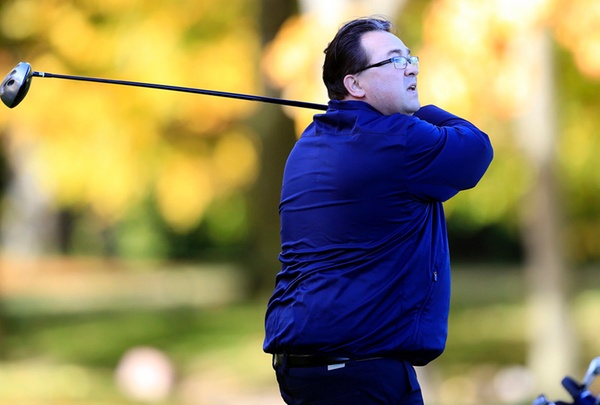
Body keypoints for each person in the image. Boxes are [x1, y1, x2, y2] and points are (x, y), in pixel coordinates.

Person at [263, 16, 493, 404]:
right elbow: (476, 150)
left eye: (410, 57)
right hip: (362, 373)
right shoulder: (396, 140)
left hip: (303, 369)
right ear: (355, 84)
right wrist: (421, 111)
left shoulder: (308, 143)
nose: (411, 68)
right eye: (394, 61)